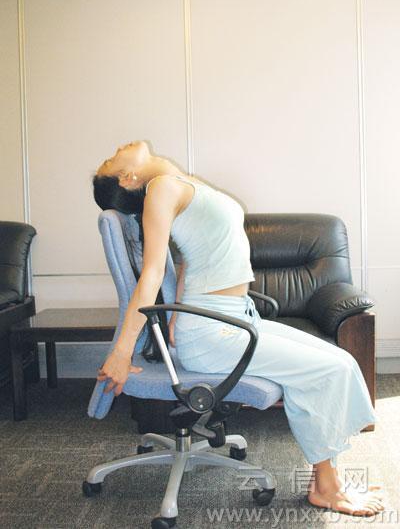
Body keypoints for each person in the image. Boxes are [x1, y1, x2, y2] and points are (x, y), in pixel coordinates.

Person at [92, 140, 385, 517]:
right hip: (214, 332)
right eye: (110, 159)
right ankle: (326, 487)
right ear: (128, 178)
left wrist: (177, 315)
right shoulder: (160, 189)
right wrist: (121, 351)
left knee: (340, 361)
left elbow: (186, 260)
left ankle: (328, 481)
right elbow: (150, 276)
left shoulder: (175, 182)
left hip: (234, 318)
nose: (119, 146)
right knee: (328, 369)